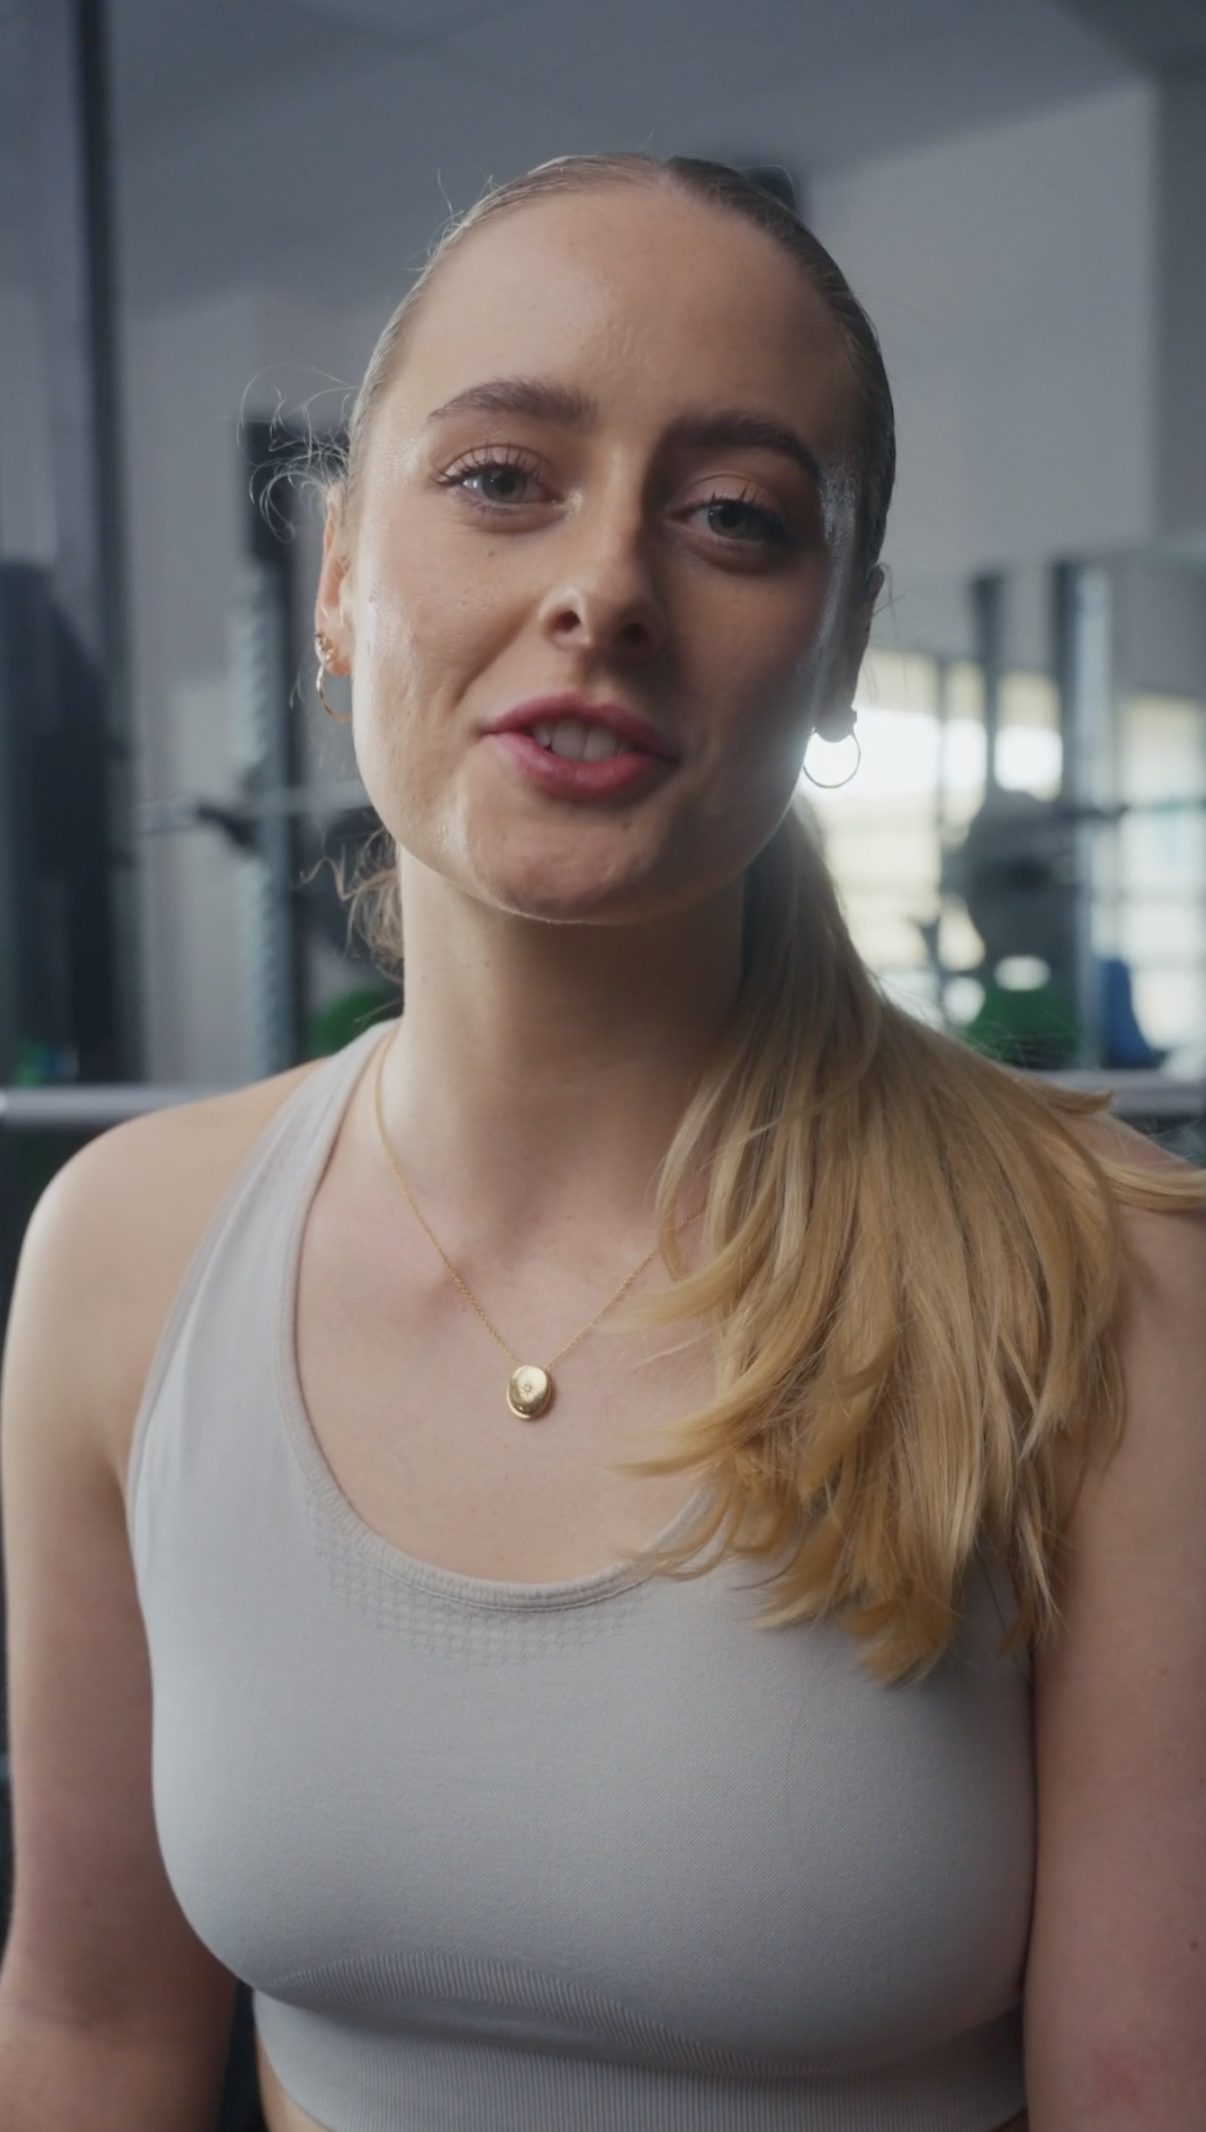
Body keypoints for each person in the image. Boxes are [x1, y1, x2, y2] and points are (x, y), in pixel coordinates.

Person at [1, 153, 1203, 2132]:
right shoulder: (124, 1250)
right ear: (335, 577)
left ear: (839, 647)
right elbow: (88, 2027)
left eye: (735, 517)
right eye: (501, 478)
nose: (606, 588)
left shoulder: (1118, 1281)